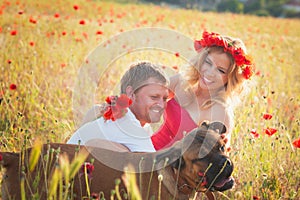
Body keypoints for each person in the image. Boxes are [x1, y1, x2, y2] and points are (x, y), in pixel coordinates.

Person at [151, 30, 254, 151]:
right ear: (201, 60)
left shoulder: (220, 112)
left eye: (221, 70)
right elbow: (146, 98)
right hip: (147, 151)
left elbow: (212, 162)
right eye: (208, 63)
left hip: (175, 167)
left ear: (230, 78)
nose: (210, 73)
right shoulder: (181, 82)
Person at [67, 61, 169, 152]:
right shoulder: (127, 123)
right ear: (131, 93)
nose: (161, 105)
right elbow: (153, 167)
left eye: (165, 99)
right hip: (68, 169)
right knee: (131, 158)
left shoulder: (141, 125)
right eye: (154, 97)